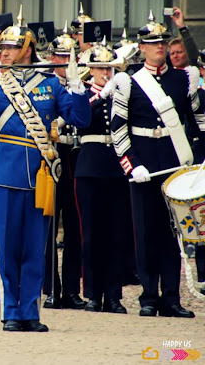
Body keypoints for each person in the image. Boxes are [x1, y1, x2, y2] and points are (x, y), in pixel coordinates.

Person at [0, 7, 91, 332]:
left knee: (36, 247)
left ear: (27, 50)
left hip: (41, 176)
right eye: (2, 48)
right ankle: (10, 311)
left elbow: (80, 119)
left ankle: (30, 311)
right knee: (7, 246)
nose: (3, 53)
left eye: (10, 48)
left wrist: (77, 87)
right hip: (5, 175)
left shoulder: (50, 84)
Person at [111, 10, 201, 318]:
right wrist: (131, 164)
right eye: (153, 43)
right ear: (142, 48)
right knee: (146, 233)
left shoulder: (182, 78)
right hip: (144, 165)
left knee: (171, 234)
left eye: (163, 42)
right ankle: (148, 296)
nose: (160, 47)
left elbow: (196, 119)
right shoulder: (129, 82)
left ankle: (171, 297)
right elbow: (118, 128)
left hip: (174, 165)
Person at [74, 40, 130, 314]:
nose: (106, 73)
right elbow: (80, 119)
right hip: (90, 168)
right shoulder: (83, 93)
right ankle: (93, 294)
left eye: (110, 68)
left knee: (116, 235)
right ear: (91, 69)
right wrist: (101, 96)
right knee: (92, 235)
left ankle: (114, 295)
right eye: (100, 68)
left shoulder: (121, 94)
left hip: (116, 167)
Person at [42, 24, 87, 310]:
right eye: (61, 57)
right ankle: (50, 288)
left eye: (70, 56)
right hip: (49, 155)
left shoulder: (78, 82)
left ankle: (71, 289)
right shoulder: (45, 85)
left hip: (73, 156)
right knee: (47, 225)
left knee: (74, 227)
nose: (66, 62)